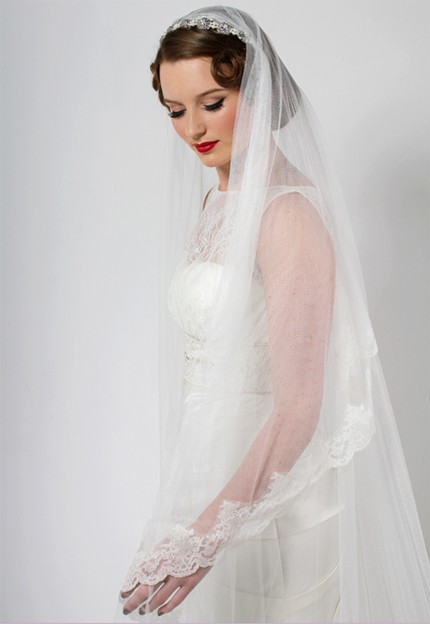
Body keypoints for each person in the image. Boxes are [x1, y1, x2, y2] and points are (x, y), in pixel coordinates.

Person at [116, 6, 430, 623]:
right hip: (208, 468)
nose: (193, 129)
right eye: (175, 110)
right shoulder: (217, 201)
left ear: (256, 91)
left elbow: (299, 409)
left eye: (212, 102)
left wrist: (206, 535)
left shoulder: (287, 215)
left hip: (274, 503)